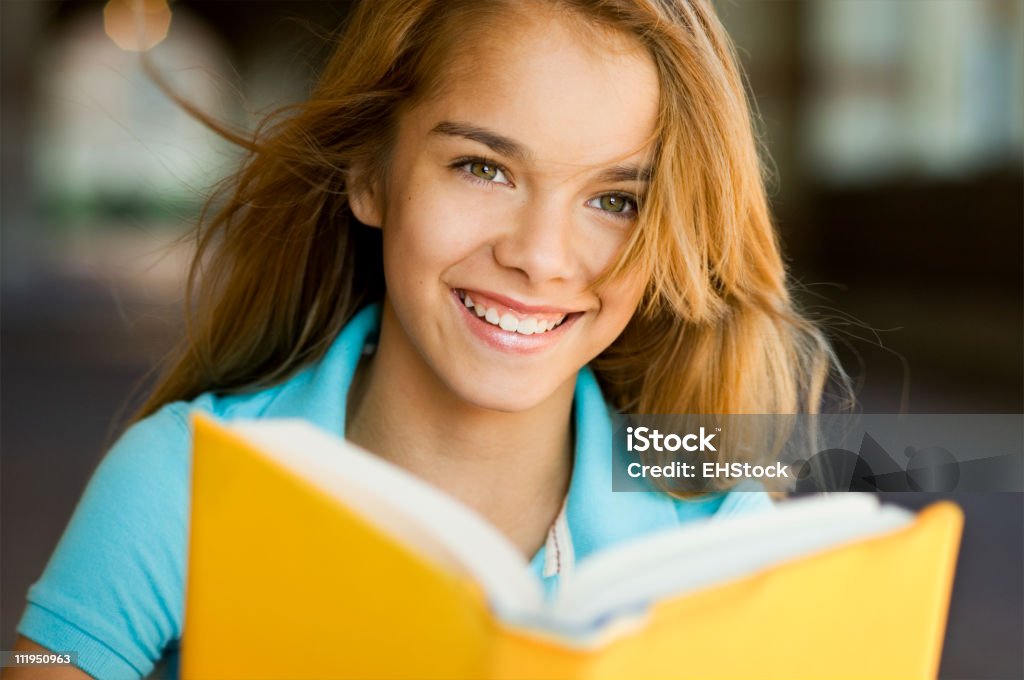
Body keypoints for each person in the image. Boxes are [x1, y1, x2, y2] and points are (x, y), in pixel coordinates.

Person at [10, 0, 847, 677]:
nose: (540, 257)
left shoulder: (715, 520)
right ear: (371, 172)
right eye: (483, 168)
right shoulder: (179, 479)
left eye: (615, 199)